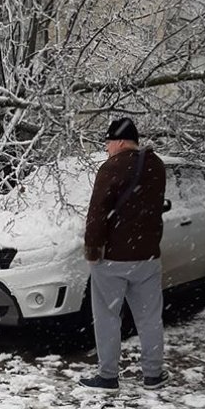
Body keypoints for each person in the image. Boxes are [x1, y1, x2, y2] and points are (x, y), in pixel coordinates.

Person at [80, 116, 168, 391]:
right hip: (147, 257)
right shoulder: (156, 166)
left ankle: (108, 376)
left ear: (118, 141)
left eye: (108, 142)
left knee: (107, 317)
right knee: (150, 317)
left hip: (113, 259)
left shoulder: (111, 168)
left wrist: (93, 250)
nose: (106, 148)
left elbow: (97, 214)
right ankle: (153, 374)